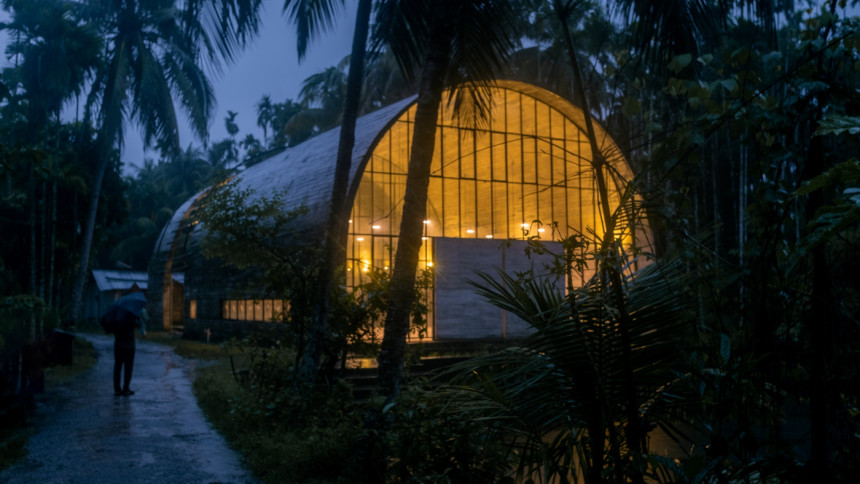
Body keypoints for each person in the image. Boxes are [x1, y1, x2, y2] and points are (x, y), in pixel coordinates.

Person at [113, 307, 146, 396]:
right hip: (129, 344)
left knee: (118, 366)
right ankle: (126, 388)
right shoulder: (131, 314)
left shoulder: (116, 314)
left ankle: (117, 389)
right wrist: (138, 317)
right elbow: (138, 324)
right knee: (128, 367)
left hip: (118, 344)